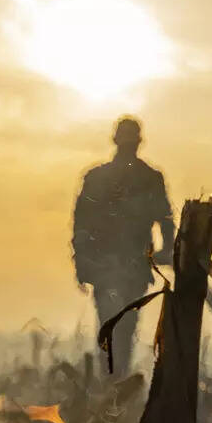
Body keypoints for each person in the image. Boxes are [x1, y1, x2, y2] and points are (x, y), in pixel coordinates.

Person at [72, 117, 173, 377]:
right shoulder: (145, 178)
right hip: (116, 267)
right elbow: (82, 225)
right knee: (118, 325)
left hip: (124, 266)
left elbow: (164, 219)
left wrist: (83, 263)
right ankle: (113, 383)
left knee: (118, 324)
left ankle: (114, 383)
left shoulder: (103, 177)